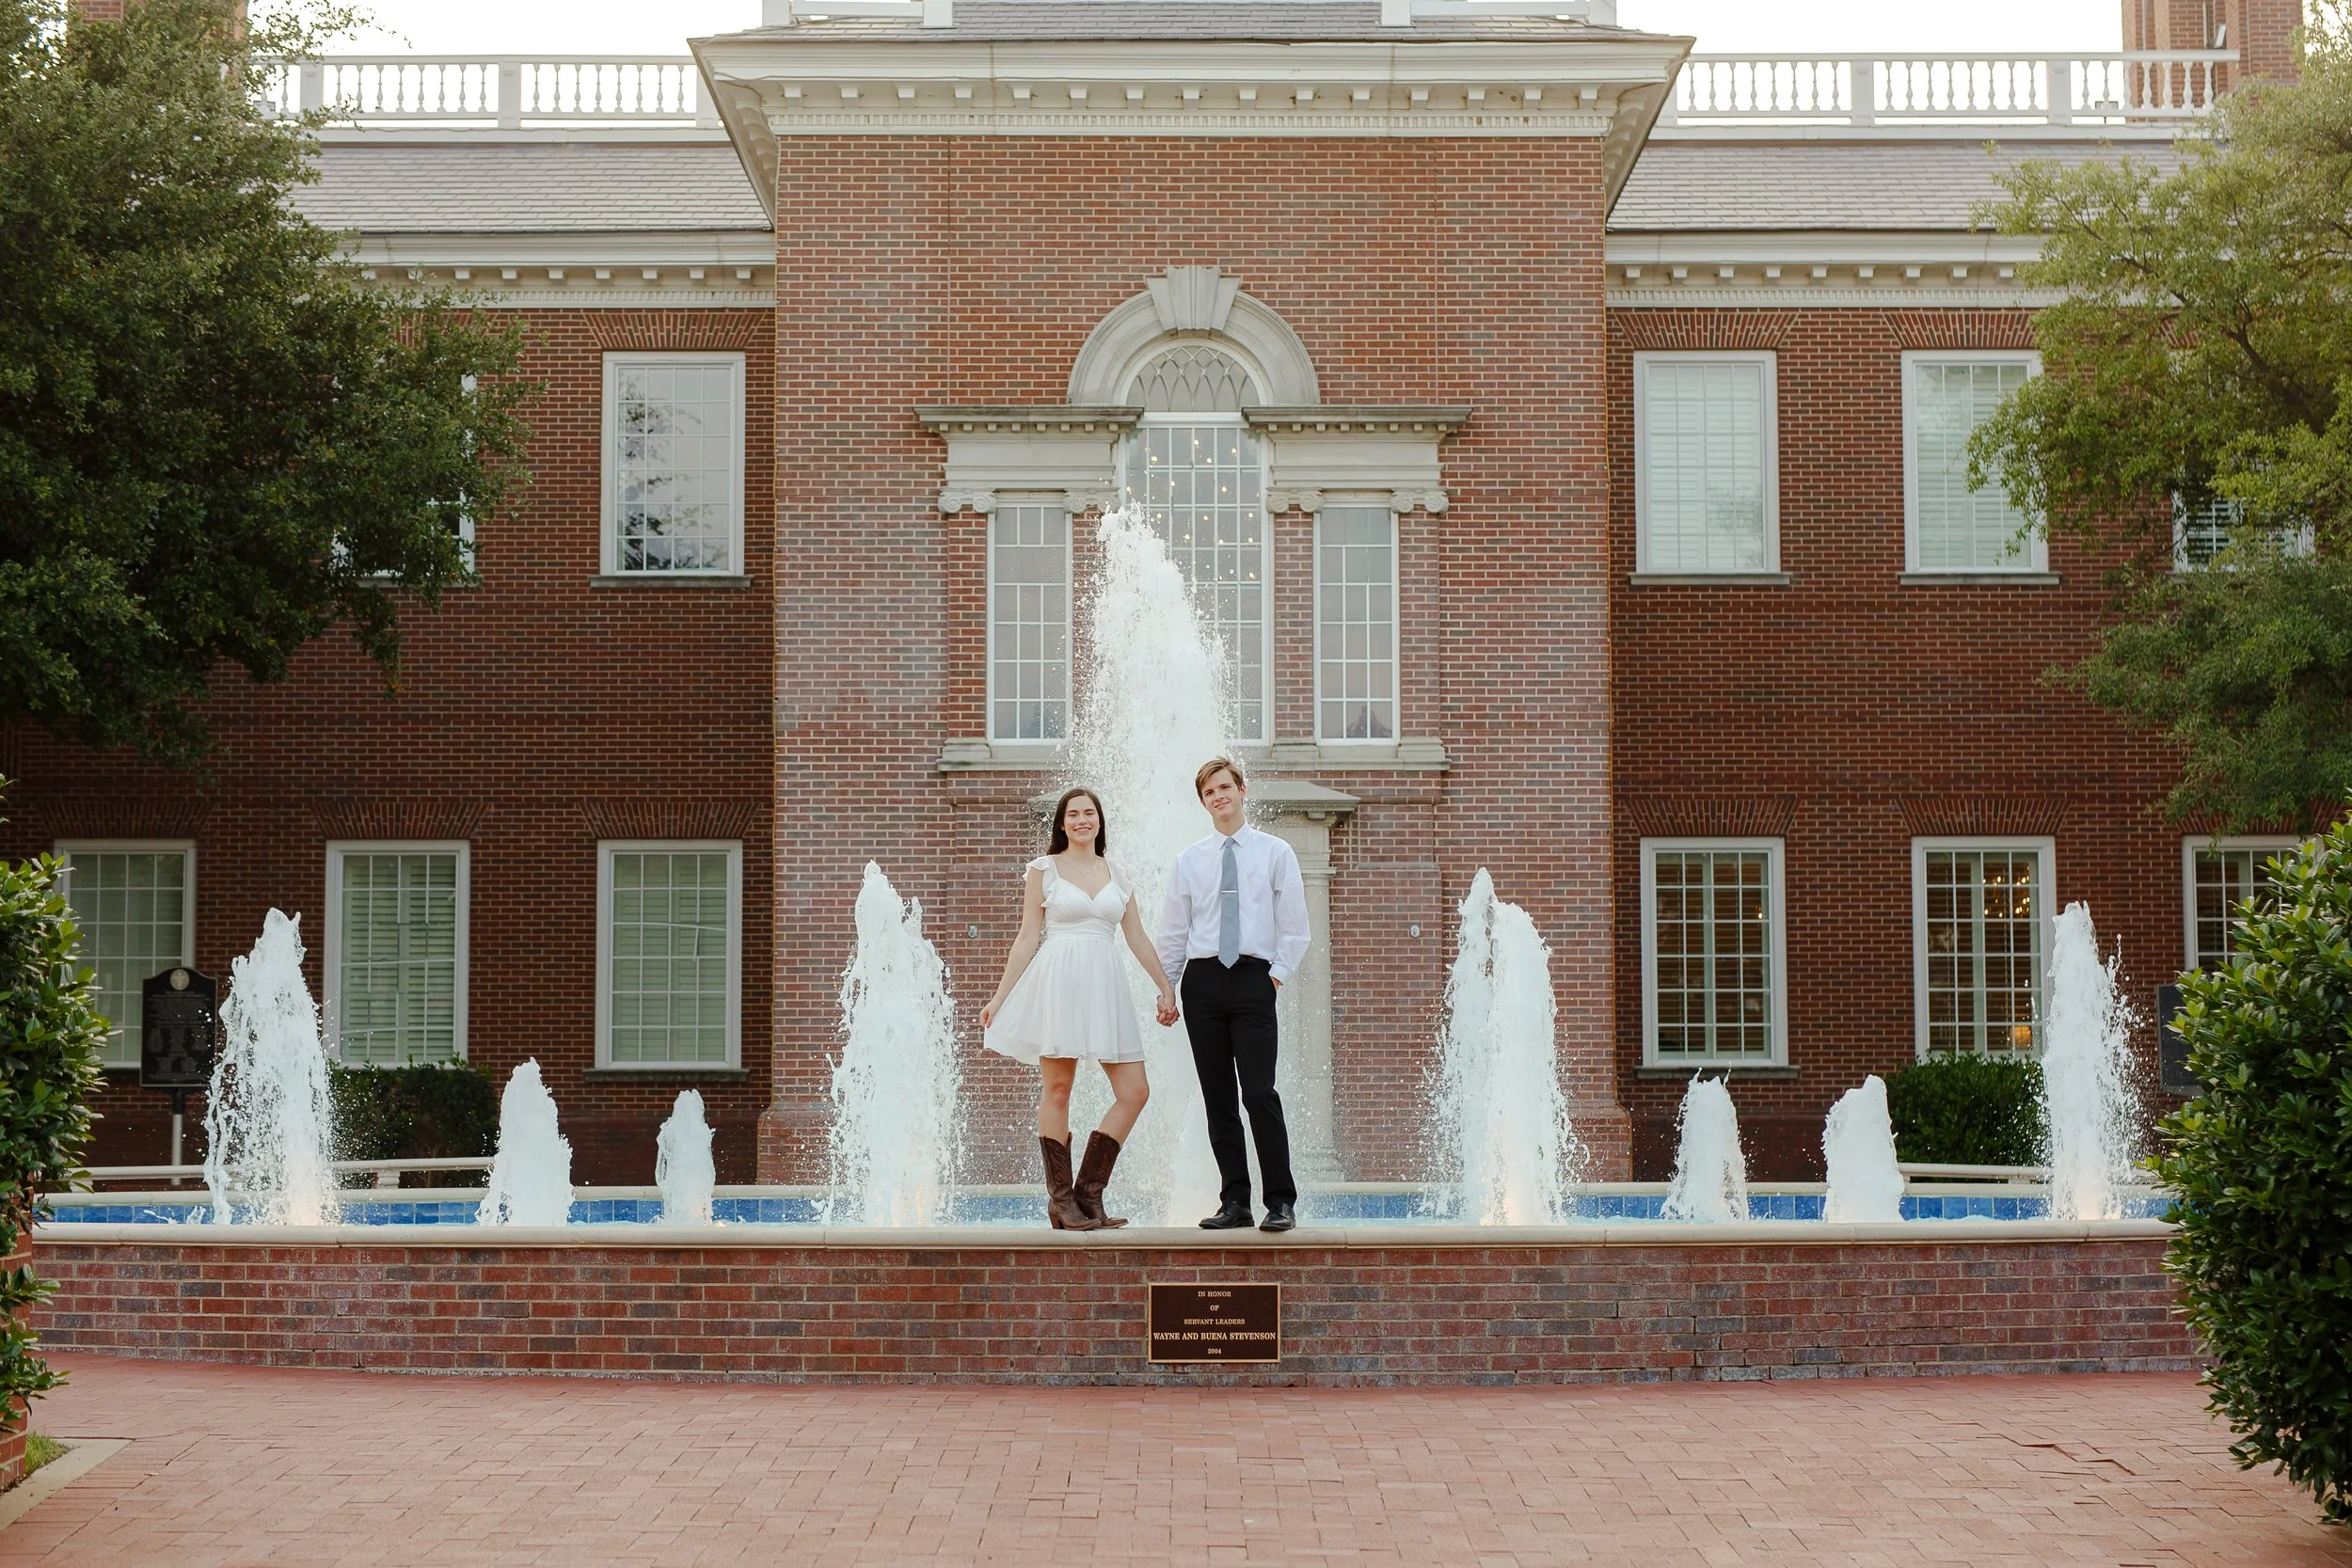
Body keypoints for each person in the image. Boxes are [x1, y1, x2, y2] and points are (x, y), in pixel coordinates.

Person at [981, 786, 1180, 1230]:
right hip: (1060, 982)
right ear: (1062, 823)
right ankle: (1061, 1201)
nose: (1081, 820)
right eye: (1073, 814)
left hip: (1106, 985)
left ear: (1099, 821)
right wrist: (999, 997)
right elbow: (1027, 937)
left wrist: (1166, 987)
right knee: (1058, 1088)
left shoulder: (1118, 872)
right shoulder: (1044, 869)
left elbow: (1136, 936)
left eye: (1089, 813)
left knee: (1135, 1091)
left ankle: (1089, 1193)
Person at [1154, 756, 1311, 1232]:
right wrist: (1167, 989)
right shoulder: (1189, 860)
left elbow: (1295, 926)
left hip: (1253, 979)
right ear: (1203, 803)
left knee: (1259, 1092)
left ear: (1242, 790)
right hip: (1202, 982)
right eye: (1209, 793)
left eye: (1225, 787)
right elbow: (1174, 931)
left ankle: (1280, 1202)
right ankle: (1235, 1201)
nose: (1218, 797)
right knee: (1218, 1096)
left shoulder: (1275, 852)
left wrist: (1274, 978)